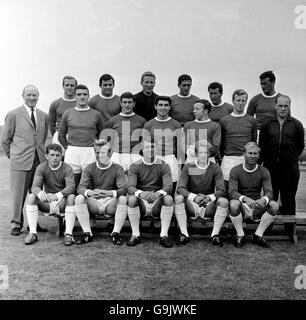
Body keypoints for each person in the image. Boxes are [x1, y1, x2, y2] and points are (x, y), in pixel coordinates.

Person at [1, 85, 49, 236]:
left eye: (35, 95)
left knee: (35, 194)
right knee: (18, 195)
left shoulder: (44, 116)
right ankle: (16, 223)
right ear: (23, 96)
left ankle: (33, 224)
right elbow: (5, 140)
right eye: (29, 95)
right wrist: (13, 156)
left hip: (39, 161)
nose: (32, 98)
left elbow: (41, 139)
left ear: (38, 97)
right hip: (20, 161)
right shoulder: (13, 114)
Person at [259, 95, 305, 235]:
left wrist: (288, 159)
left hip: (290, 169)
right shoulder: (267, 124)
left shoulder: (296, 124)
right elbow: (262, 145)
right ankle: (267, 229)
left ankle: (290, 230)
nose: (283, 108)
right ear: (275, 106)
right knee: (270, 198)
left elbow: (299, 147)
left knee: (289, 199)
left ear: (290, 106)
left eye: (286, 106)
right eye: (280, 105)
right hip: (270, 168)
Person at [74, 139, 128, 245]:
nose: (100, 155)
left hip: (110, 203)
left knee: (122, 198)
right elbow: (80, 188)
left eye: (103, 152)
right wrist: (90, 193)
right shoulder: (89, 168)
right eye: (97, 152)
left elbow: (124, 189)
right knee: (79, 198)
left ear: (109, 153)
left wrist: (110, 193)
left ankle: (115, 233)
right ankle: (87, 233)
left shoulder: (118, 168)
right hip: (95, 201)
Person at [176, 141, 228, 247]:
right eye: (200, 152)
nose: (203, 155)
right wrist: (194, 197)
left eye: (206, 153)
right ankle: (184, 234)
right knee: (178, 198)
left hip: (208, 205)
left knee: (223, 201)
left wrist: (209, 197)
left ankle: (215, 235)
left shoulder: (215, 168)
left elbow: (221, 189)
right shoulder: (189, 167)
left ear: (209, 154)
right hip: (191, 204)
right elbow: (180, 188)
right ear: (196, 154)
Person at [229, 142, 279, 248]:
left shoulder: (264, 171)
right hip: (242, 205)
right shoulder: (235, 170)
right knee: (233, 204)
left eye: (255, 153)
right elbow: (232, 192)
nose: (252, 156)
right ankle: (240, 235)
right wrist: (245, 199)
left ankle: (258, 235)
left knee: (275, 205)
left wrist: (264, 200)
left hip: (257, 205)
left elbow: (269, 191)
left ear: (259, 155)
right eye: (249, 153)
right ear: (244, 154)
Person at [24, 143, 76, 246]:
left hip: (62, 202)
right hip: (47, 202)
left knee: (71, 197)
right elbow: (35, 186)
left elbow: (71, 187)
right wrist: (41, 193)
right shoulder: (41, 167)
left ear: (61, 156)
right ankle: (33, 233)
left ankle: (69, 234)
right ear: (46, 156)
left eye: (57, 155)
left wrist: (57, 195)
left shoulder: (67, 168)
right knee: (31, 197)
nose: (55, 158)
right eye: (52, 155)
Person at [127, 138, 174, 248]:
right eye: (147, 147)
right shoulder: (135, 165)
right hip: (142, 201)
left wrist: (158, 193)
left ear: (156, 148)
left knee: (168, 199)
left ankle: (164, 235)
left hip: (157, 200)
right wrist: (141, 193)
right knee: (132, 199)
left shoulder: (163, 165)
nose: (150, 149)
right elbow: (130, 187)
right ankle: (135, 234)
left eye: (153, 146)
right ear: (142, 149)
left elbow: (169, 186)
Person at [58, 84, 104, 187]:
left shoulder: (96, 114)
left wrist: (96, 150)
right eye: (79, 94)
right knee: (71, 185)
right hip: (72, 152)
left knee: (88, 185)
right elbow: (61, 135)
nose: (82, 97)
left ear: (88, 96)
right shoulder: (68, 113)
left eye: (85, 94)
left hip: (89, 152)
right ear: (75, 96)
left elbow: (102, 135)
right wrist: (68, 148)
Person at [143, 96, 184, 187]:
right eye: (160, 105)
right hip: (155, 158)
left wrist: (180, 164)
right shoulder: (149, 125)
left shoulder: (176, 124)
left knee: (171, 189)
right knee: (154, 187)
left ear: (169, 107)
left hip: (170, 158)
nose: (163, 108)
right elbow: (145, 146)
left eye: (166, 105)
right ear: (155, 106)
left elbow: (180, 147)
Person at [219, 89, 257, 186]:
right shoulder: (224, 120)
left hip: (245, 160)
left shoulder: (252, 120)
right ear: (233, 101)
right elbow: (221, 143)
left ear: (246, 102)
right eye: (238, 100)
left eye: (243, 101)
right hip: (229, 159)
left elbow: (253, 142)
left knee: (245, 191)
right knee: (227, 192)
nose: (240, 103)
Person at [102, 92, 146, 172]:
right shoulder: (112, 121)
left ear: (134, 104)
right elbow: (107, 140)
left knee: (135, 181)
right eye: (125, 102)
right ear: (121, 103)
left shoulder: (141, 121)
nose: (127, 105)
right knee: (116, 181)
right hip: (117, 154)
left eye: (130, 102)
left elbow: (144, 139)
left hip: (134, 155)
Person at [183, 99, 221, 163]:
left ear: (206, 111)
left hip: (208, 160)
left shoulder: (215, 126)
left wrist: (203, 154)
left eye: (197, 109)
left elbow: (215, 147)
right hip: (192, 159)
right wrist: (191, 152)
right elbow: (184, 144)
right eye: (194, 109)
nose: (194, 111)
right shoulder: (188, 125)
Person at [48, 76, 77, 149]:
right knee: (58, 159)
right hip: (59, 136)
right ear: (63, 86)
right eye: (67, 85)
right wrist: (57, 134)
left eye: (72, 85)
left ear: (75, 87)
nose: (69, 87)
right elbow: (51, 124)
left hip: (76, 136)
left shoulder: (80, 103)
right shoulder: (55, 104)